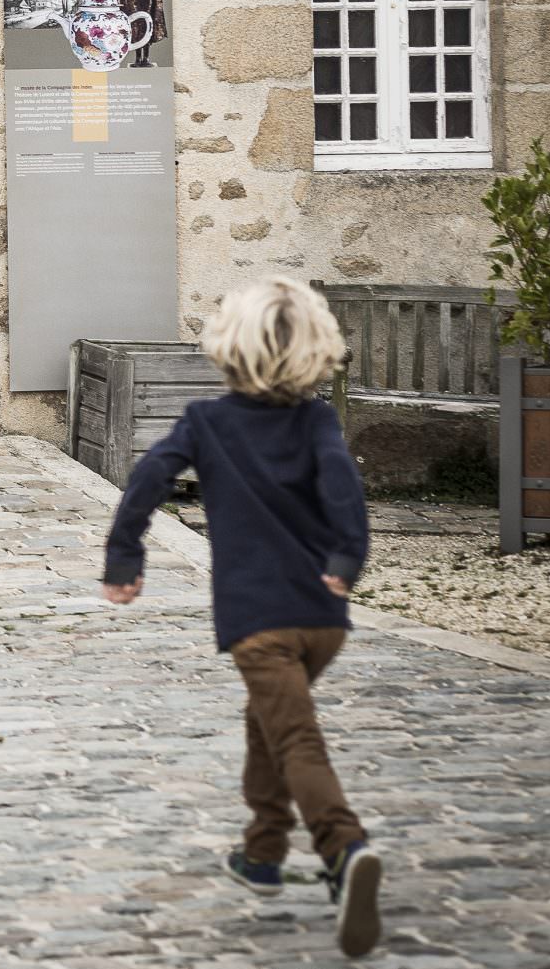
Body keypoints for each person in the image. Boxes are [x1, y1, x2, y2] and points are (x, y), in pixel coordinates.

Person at [99, 277, 380, 959]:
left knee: (296, 739)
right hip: (324, 615)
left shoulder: (206, 422)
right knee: (270, 719)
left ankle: (345, 846)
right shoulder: (318, 421)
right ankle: (262, 850)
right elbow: (345, 493)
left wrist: (124, 554)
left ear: (229, 348)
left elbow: (146, 482)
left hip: (259, 619)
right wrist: (347, 556)